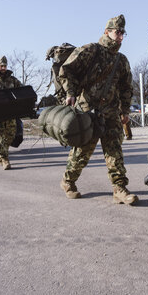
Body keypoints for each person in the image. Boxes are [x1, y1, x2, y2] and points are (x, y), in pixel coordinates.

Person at [58, 15, 138, 205]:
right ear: (107, 32)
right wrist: (70, 92)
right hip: (88, 110)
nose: (120, 37)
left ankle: (119, 189)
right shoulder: (90, 50)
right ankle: (68, 181)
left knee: (115, 151)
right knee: (83, 151)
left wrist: (125, 110)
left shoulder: (122, 60)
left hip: (111, 112)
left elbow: (127, 88)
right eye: (117, 32)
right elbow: (66, 69)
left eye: (122, 33)